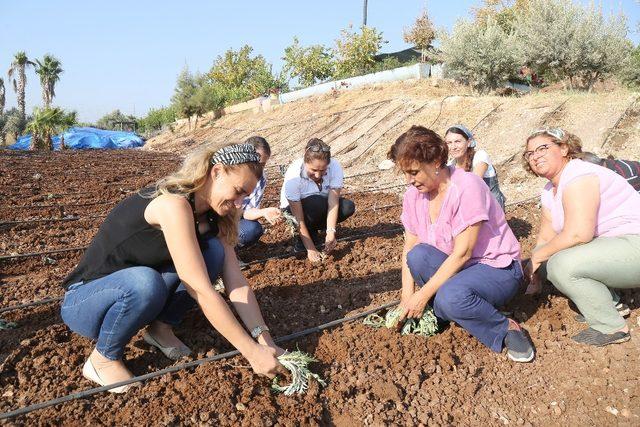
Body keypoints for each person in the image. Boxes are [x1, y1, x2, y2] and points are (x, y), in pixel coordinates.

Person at [61, 144, 285, 393]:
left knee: (213, 252)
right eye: (238, 191)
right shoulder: (173, 204)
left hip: (134, 293)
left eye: (246, 196)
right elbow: (198, 287)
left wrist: (265, 340)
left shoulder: (216, 215)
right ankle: (103, 358)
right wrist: (251, 352)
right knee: (145, 283)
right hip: (87, 301)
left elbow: (237, 282)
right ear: (217, 172)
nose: (240, 202)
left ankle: (160, 330)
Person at [391, 125, 533, 362]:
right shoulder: (413, 195)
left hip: (496, 269)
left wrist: (423, 296)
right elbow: (409, 246)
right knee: (418, 256)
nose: (410, 180)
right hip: (459, 271)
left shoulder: (467, 186)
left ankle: (505, 328)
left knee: (451, 296)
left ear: (436, 161)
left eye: (414, 172)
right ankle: (456, 308)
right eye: (405, 173)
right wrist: (408, 296)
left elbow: (464, 253)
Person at [523, 128, 640, 346]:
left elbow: (579, 233)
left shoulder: (579, 174)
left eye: (542, 148)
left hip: (635, 244)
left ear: (564, 148)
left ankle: (611, 327)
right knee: (549, 262)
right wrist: (534, 269)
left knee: (561, 265)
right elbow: (546, 236)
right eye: (530, 153)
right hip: (617, 246)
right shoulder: (550, 190)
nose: (535, 156)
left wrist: (538, 258)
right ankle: (611, 304)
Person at [280, 138, 355, 263]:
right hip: (294, 211)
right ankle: (302, 239)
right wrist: (310, 249)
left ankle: (316, 231)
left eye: (323, 170)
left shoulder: (335, 166)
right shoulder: (294, 175)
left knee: (347, 207)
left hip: (319, 205)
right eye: (313, 170)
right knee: (316, 203)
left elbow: (333, 202)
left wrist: (331, 232)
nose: (318, 175)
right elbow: (298, 218)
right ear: (305, 162)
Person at [445, 125, 506, 210]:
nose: (453, 147)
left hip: (492, 209)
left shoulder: (480, 156)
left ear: (469, 142)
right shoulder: (450, 165)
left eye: (458, 141)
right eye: (449, 143)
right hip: (470, 209)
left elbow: (474, 184)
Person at [238, 136, 282, 248]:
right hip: (217, 219)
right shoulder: (231, 172)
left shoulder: (261, 179)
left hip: (236, 217)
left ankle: (233, 248)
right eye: (256, 163)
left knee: (252, 230)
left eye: (263, 164)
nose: (259, 168)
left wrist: (264, 212)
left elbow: (247, 211)